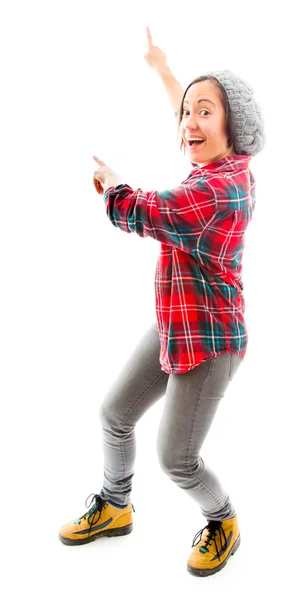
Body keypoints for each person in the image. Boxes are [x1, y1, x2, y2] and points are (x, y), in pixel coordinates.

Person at [59, 26, 265, 578]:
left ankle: (223, 520)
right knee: (114, 414)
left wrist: (112, 183)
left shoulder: (217, 190)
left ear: (232, 127)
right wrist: (162, 67)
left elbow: (143, 212)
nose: (188, 122)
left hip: (213, 339)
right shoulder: (217, 163)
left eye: (205, 113)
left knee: (176, 459)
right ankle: (116, 505)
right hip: (177, 320)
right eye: (186, 114)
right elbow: (186, 106)